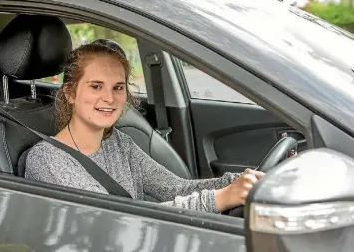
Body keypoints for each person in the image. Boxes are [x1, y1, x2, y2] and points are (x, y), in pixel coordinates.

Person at [25, 40, 264, 214]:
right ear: (70, 94)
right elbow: (114, 221)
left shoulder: (118, 143)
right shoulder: (47, 160)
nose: (109, 98)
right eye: (96, 86)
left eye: (117, 87)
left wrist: (237, 182)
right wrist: (221, 198)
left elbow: (175, 189)